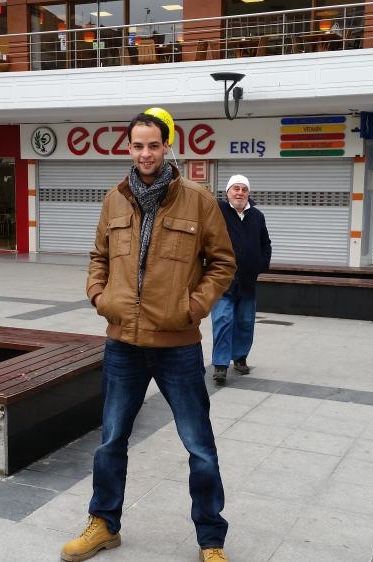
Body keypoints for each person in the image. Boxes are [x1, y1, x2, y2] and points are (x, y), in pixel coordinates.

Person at [61, 108, 236, 562]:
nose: (145, 153)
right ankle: (104, 524)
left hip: (177, 345)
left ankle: (211, 540)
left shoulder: (198, 200)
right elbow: (99, 256)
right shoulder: (114, 200)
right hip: (123, 344)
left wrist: (192, 308)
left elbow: (222, 263)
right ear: (129, 147)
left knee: (199, 446)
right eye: (138, 145)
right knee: (111, 440)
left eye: (153, 145)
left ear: (166, 146)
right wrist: (99, 297)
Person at [210, 174, 272, 384]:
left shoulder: (257, 216)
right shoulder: (218, 210)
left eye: (244, 189)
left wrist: (261, 264)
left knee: (245, 322)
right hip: (222, 280)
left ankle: (240, 357)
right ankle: (220, 364)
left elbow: (266, 243)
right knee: (223, 321)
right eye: (235, 188)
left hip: (247, 281)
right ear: (227, 192)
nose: (240, 193)